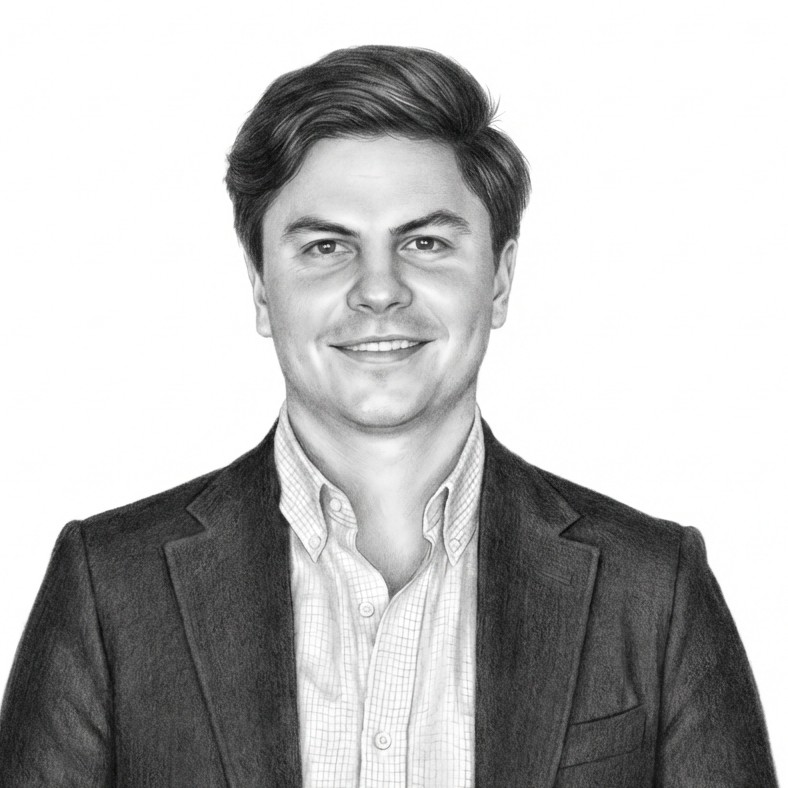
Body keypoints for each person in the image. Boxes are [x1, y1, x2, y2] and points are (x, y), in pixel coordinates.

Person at [0, 45, 777, 787]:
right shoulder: (110, 585)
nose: (379, 289)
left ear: (500, 280)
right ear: (262, 287)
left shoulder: (654, 589)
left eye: (426, 242)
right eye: (326, 246)